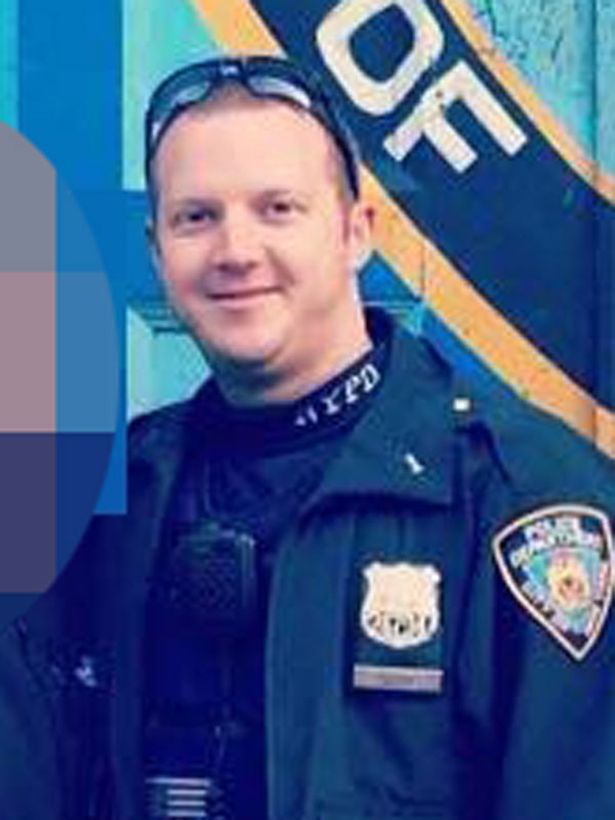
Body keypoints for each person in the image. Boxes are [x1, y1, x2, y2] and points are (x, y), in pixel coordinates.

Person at [22, 54, 615, 820]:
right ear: (156, 251)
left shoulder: (523, 501)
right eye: (196, 217)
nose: (235, 251)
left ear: (355, 233)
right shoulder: (110, 503)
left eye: (277, 208)